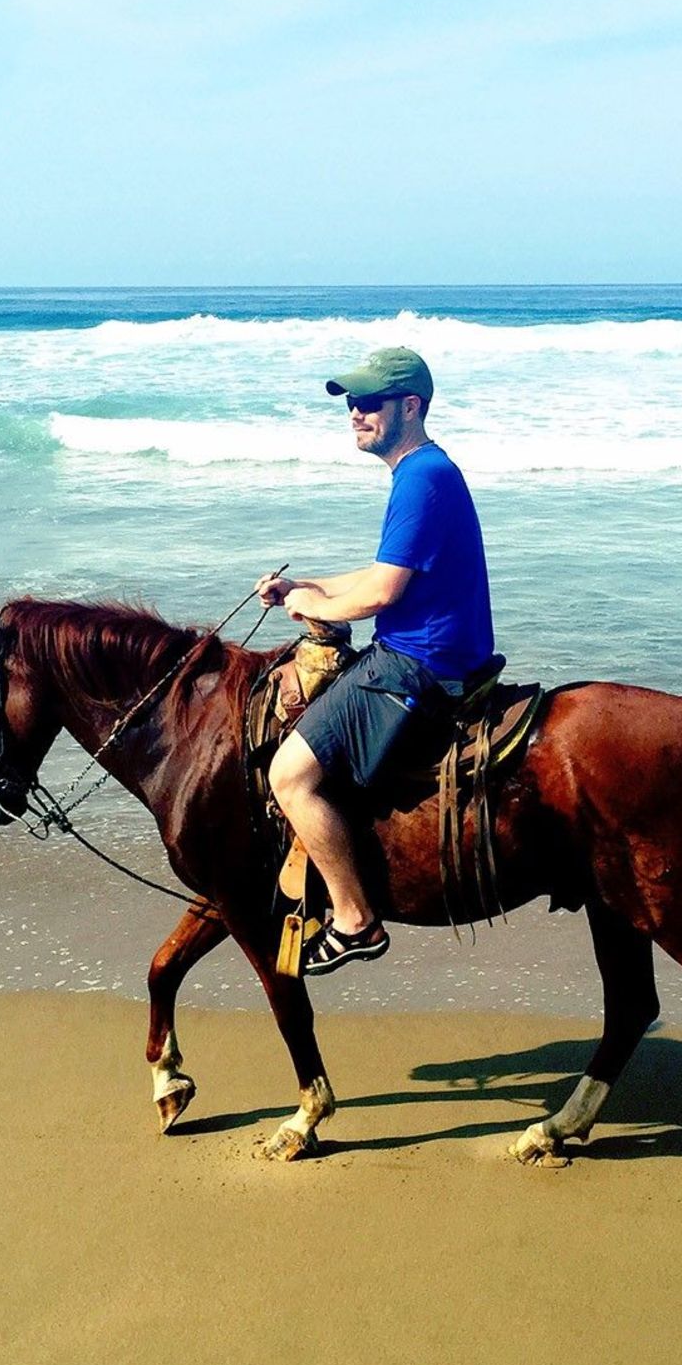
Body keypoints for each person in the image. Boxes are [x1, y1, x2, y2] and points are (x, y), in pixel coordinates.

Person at [255, 345, 494, 976]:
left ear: (409, 406)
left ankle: (355, 919)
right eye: (352, 405)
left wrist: (318, 604)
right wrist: (310, 586)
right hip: (421, 649)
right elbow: (383, 571)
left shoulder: (422, 477)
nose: (356, 414)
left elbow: (384, 593)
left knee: (288, 776)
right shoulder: (423, 472)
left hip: (420, 662)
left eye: (369, 403)